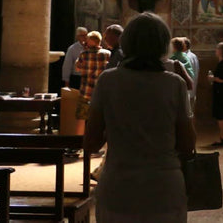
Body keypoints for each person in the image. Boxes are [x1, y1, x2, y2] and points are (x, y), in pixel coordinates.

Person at [84, 12, 196, 223]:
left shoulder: (108, 81)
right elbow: (187, 144)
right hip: (164, 188)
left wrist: (119, 127)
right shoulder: (174, 84)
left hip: (119, 186)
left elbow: (91, 142)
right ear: (163, 44)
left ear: (126, 42)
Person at [74, 31, 110, 134]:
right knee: (101, 120)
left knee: (81, 118)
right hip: (101, 92)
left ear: (89, 42)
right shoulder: (107, 54)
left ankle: (79, 143)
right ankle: (99, 145)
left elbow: (77, 68)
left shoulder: (84, 54)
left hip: (86, 92)